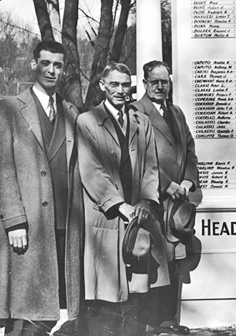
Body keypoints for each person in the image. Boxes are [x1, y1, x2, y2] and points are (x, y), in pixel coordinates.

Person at [77, 62, 169, 336]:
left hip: (139, 218)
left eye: (124, 84)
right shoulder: (87, 121)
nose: (120, 90)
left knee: (138, 295)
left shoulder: (142, 122)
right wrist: (120, 205)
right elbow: (91, 171)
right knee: (106, 297)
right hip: (108, 218)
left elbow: (152, 167)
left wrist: (144, 202)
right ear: (102, 86)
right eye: (113, 84)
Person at [0, 41, 84, 336]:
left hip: (64, 223)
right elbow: (3, 168)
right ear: (33, 64)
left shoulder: (71, 112)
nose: (52, 70)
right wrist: (14, 221)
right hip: (29, 223)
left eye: (58, 65)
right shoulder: (9, 108)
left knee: (53, 308)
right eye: (46, 63)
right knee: (25, 310)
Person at [131, 60, 199, 335]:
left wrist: (188, 180)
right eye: (155, 81)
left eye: (165, 81)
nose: (160, 86)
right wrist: (166, 184)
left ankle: (168, 321)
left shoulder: (177, 113)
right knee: (153, 260)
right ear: (145, 84)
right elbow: (139, 156)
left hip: (178, 202)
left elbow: (190, 150)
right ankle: (148, 323)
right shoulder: (136, 111)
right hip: (152, 199)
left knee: (176, 260)